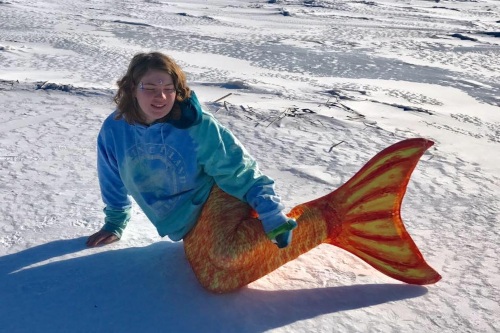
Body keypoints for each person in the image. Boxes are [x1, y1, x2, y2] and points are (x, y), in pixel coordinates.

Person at [87, 52, 441, 293]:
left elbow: (240, 171)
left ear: (178, 91)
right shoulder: (115, 130)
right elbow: (112, 175)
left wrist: (271, 213)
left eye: (168, 88)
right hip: (185, 220)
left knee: (219, 269)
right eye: (149, 87)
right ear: (131, 89)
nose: (159, 96)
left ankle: (327, 219)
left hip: (219, 194)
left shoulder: (196, 127)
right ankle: (319, 221)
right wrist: (115, 220)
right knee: (216, 278)